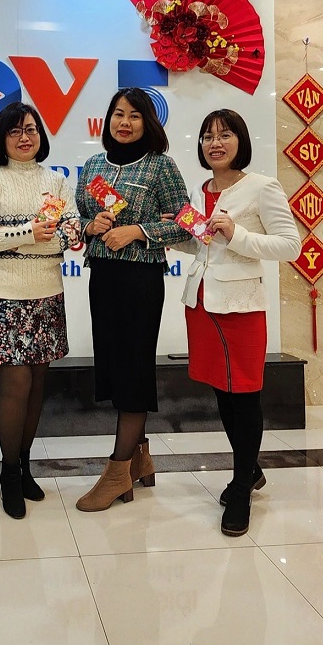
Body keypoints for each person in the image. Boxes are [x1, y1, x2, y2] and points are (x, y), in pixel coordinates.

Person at [177, 109, 301, 537]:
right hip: (202, 303)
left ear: (240, 141)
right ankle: (251, 469)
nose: (215, 143)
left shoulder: (262, 187)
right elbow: (201, 245)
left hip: (242, 307)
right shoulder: (200, 190)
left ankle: (241, 487)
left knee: (244, 395)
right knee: (222, 393)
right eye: (208, 136)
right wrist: (173, 234)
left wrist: (237, 234)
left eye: (225, 135)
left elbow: (290, 246)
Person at [74, 87, 190, 512]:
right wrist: (91, 225)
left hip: (140, 280)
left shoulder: (161, 165)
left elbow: (188, 222)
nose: (125, 122)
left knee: (133, 370)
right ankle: (141, 459)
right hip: (102, 277)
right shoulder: (93, 166)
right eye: (118, 114)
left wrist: (138, 231)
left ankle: (118, 470)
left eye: (135, 115)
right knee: (114, 367)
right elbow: (78, 217)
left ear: (148, 122)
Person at [0, 102, 80, 519]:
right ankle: (8, 474)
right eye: (14, 131)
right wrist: (30, 232)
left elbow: (71, 233)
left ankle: (25, 465)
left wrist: (15, 241)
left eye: (31, 129)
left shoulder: (57, 180)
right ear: (1, 138)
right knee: (15, 385)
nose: (24, 137)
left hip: (47, 291)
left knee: (36, 384)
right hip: (1, 294)